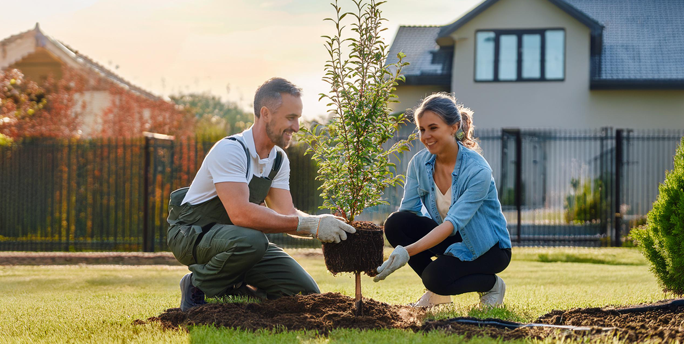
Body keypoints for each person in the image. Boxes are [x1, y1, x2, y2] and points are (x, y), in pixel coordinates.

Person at [167, 77, 356, 312]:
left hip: (237, 242)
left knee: (305, 293)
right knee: (253, 241)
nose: (296, 127)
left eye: (297, 118)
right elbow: (241, 215)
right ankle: (198, 286)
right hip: (193, 234)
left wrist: (319, 223)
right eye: (290, 118)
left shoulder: (277, 159)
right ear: (265, 113)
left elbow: (287, 214)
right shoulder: (231, 151)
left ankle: (234, 288)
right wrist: (310, 226)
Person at [373, 93, 512, 308]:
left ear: (454, 127)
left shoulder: (477, 170)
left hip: (489, 247)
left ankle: (491, 284)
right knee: (396, 223)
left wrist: (407, 252)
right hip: (454, 238)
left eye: (433, 128)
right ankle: (438, 294)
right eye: (421, 129)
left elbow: (452, 223)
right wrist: (400, 244)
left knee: (435, 278)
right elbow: (408, 213)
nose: (426, 136)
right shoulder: (419, 163)